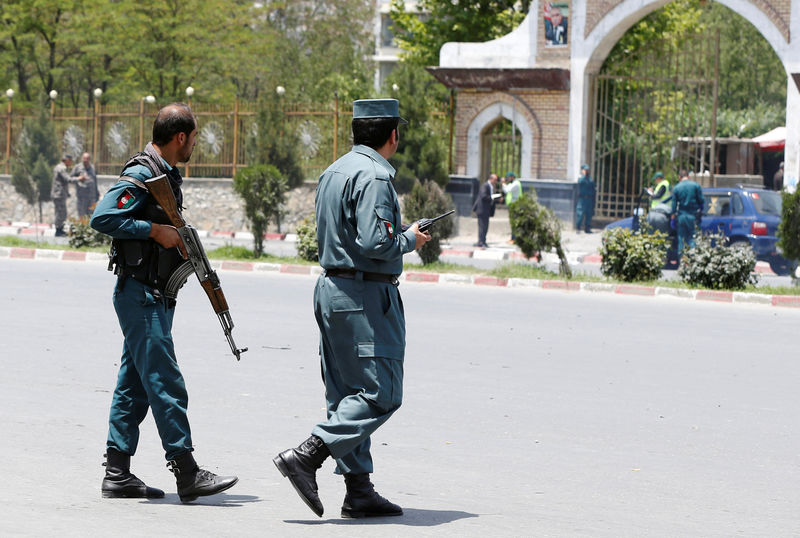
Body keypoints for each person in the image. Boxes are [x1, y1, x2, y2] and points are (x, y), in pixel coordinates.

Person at [272, 98, 431, 519]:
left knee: (346, 392)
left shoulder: (334, 170)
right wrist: (410, 238)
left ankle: (358, 490)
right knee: (381, 392)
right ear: (392, 135)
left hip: (333, 289)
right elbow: (375, 243)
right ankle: (308, 454)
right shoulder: (376, 175)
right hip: (364, 295)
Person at [90, 103, 238, 503]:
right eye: (195, 137)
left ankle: (117, 472)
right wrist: (155, 230)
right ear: (180, 138)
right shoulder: (142, 173)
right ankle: (186, 471)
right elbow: (102, 217)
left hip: (151, 293)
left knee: (133, 385)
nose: (195, 144)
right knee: (165, 380)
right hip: (141, 295)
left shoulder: (165, 175)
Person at [671, 169, 704, 255]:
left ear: (679, 177)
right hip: (693, 216)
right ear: (688, 177)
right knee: (692, 238)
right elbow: (701, 201)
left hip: (681, 216)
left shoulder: (676, 188)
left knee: (681, 239)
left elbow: (674, 206)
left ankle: (682, 261)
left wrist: (673, 219)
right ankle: (692, 261)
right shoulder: (695, 186)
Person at [51, 154, 76, 236]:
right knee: (60, 212)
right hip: (59, 194)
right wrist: (79, 178)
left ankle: (60, 229)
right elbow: (67, 179)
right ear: (67, 160)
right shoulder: (62, 168)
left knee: (61, 212)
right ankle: (58, 230)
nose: (71, 163)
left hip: (59, 194)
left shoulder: (59, 167)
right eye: (70, 160)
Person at [472, 173, 498, 248]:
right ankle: (481, 242)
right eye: (495, 180)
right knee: (482, 226)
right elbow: (483, 196)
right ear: (491, 179)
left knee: (485, 226)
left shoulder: (490, 186)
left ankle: (483, 241)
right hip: (482, 209)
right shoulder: (485, 185)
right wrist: (492, 197)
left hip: (486, 210)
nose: (496, 181)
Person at [72, 152, 99, 217]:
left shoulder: (92, 168)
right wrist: (79, 178)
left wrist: (97, 192)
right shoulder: (77, 167)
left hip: (91, 197)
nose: (85, 160)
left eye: (87, 159)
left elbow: (95, 180)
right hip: (82, 197)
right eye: (84, 158)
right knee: (82, 216)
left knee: (91, 215)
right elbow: (70, 178)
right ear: (82, 159)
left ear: (89, 159)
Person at [501, 171, 522, 243]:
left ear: (512, 177)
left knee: (514, 222)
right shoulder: (513, 183)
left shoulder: (516, 184)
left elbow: (507, 190)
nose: (507, 178)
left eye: (508, 177)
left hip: (515, 205)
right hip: (512, 205)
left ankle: (515, 239)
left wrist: (503, 184)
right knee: (513, 222)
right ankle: (513, 238)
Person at [575, 164, 596, 233]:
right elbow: (580, 182)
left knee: (589, 214)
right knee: (580, 214)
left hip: (589, 199)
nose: (587, 171)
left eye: (587, 170)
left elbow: (593, 188)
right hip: (582, 199)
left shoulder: (590, 179)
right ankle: (578, 228)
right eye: (585, 170)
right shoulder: (580, 177)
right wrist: (583, 175)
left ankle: (587, 228)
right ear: (582, 170)